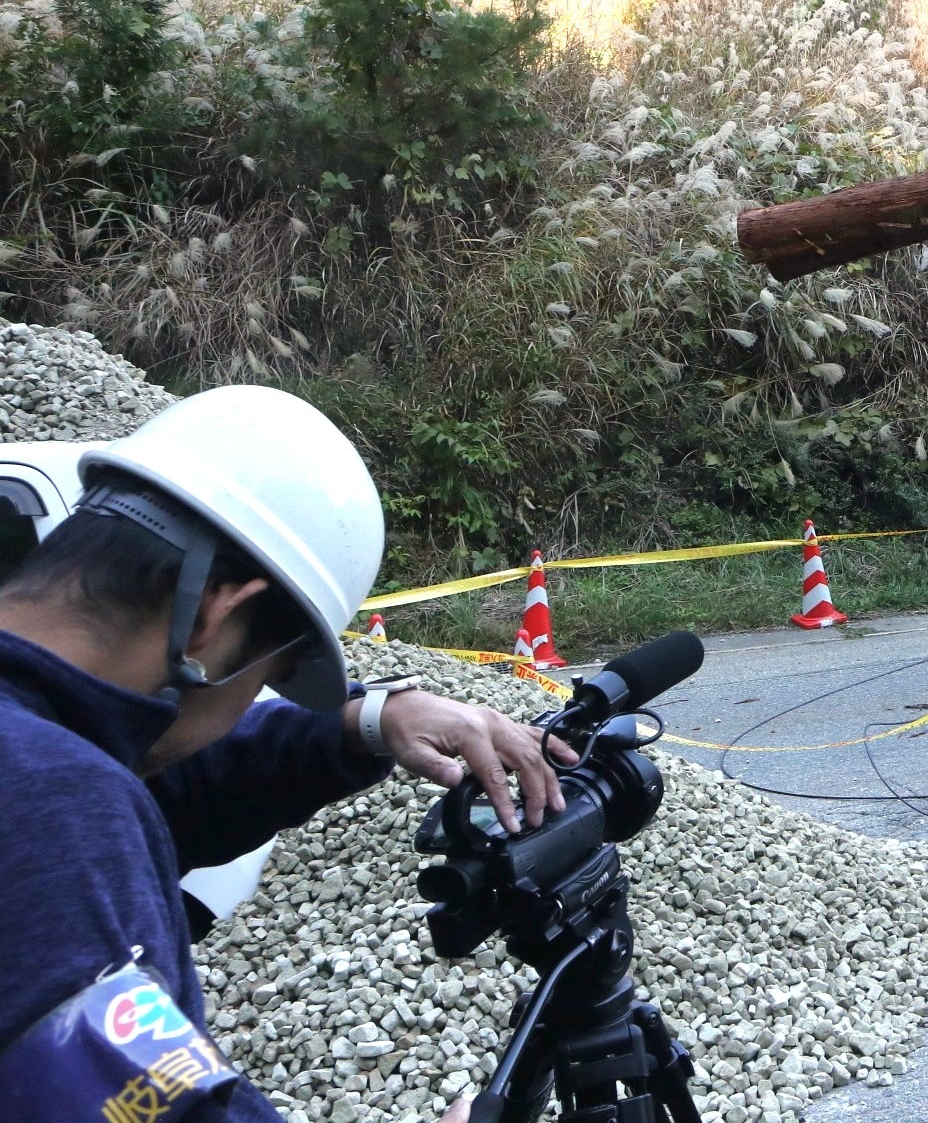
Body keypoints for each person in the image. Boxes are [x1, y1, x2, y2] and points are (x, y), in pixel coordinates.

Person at [0, 385, 577, 1122]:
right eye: (265, 678)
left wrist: (371, 720)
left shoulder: (41, 757)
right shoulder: (54, 804)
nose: (248, 705)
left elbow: (161, 789)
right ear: (214, 614)